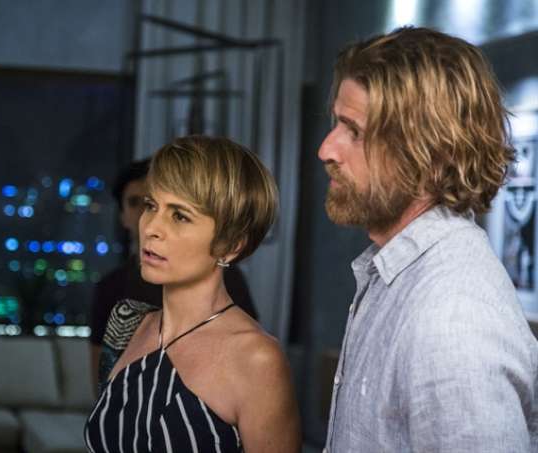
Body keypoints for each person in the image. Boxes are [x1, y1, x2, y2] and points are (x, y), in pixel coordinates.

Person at [319, 27, 538, 452]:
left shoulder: (453, 319)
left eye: (354, 131)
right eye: (336, 124)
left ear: (427, 153)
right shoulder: (398, 274)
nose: (327, 149)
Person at [84, 136, 301, 452]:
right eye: (151, 206)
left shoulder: (257, 359)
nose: (151, 228)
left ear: (231, 244)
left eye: (180, 216)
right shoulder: (125, 322)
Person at [88, 159, 258, 392]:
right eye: (145, 205)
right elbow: (102, 386)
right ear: (122, 215)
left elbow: (245, 360)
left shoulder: (225, 278)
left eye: (177, 214)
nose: (148, 220)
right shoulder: (113, 291)